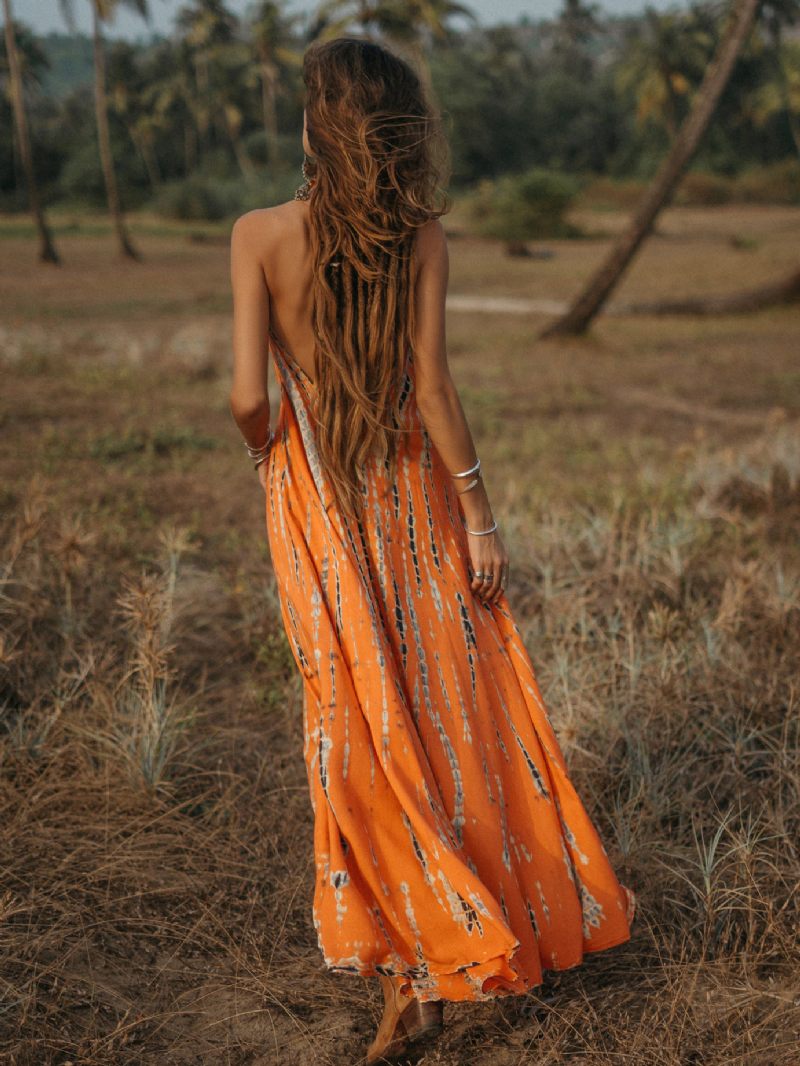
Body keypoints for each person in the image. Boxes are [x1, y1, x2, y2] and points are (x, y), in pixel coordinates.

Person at [229, 35, 637, 1064]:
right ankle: (446, 937)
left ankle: (420, 949)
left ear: (316, 123)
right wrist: (482, 515)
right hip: (413, 494)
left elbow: (244, 396)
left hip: (317, 495)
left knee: (359, 723)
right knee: (446, 712)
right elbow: (435, 387)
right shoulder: (419, 238)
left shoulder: (256, 235)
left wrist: (268, 446)